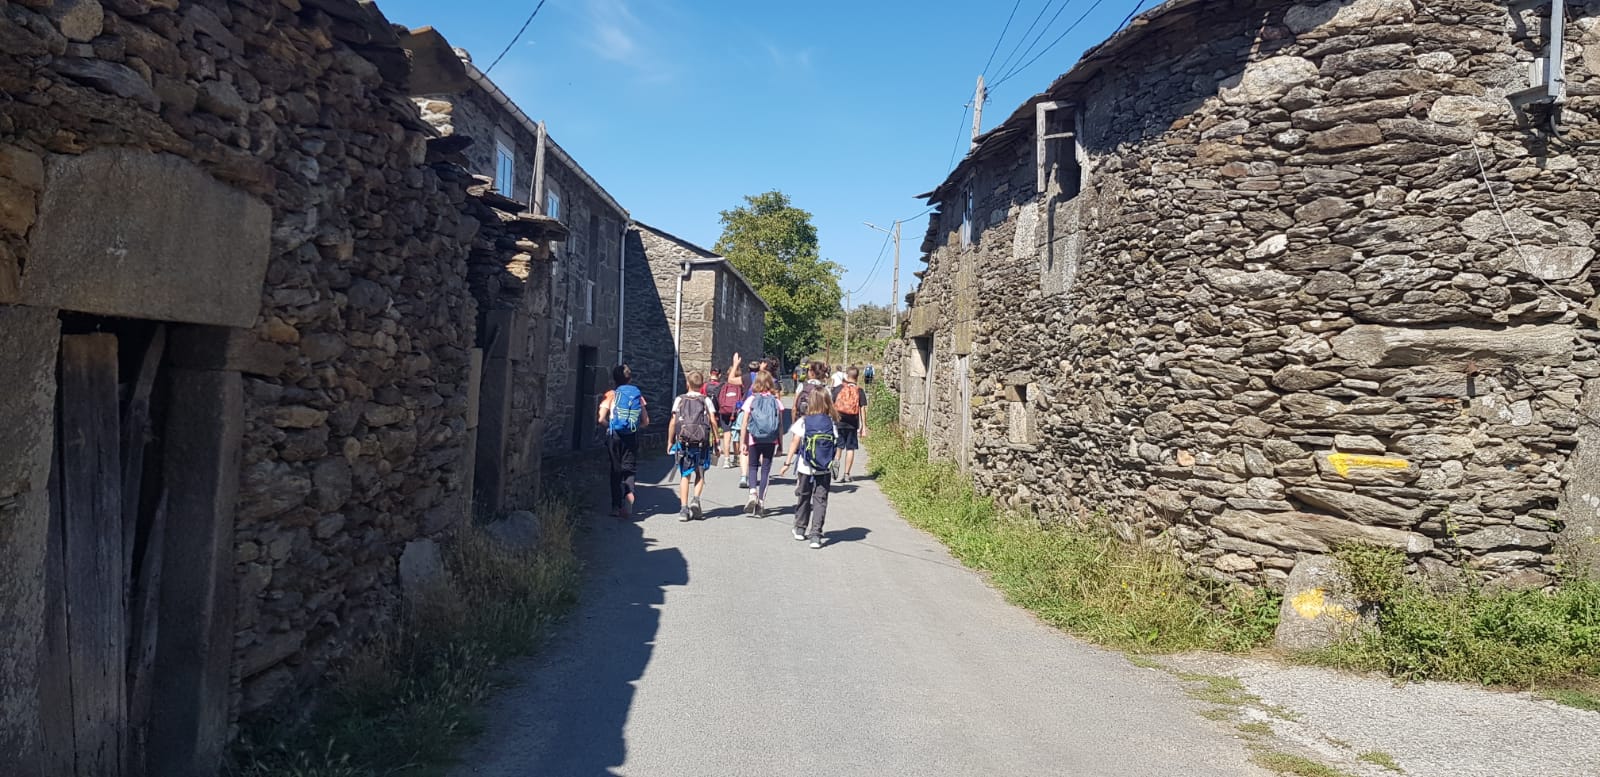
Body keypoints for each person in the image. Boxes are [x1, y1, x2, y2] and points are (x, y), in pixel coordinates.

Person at [779, 388, 839, 549]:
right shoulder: (830, 423)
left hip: (805, 467)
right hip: (824, 468)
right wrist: (834, 463)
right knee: (820, 500)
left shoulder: (804, 421)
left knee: (804, 496)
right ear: (828, 403)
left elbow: (795, 442)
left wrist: (787, 462)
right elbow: (836, 445)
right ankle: (816, 535)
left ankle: (800, 528)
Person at [597, 364, 649, 520]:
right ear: (630, 378)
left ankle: (615, 507)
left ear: (614, 379)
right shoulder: (637, 396)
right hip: (631, 436)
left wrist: (611, 426)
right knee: (629, 469)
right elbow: (646, 421)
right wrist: (634, 427)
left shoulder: (611, 394)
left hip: (614, 436)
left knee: (615, 470)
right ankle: (629, 495)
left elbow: (600, 419)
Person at [667, 370, 719, 521]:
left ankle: (684, 509)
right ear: (702, 385)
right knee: (700, 473)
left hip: (684, 442)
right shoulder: (705, 400)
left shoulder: (680, 399)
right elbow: (714, 422)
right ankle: (696, 499)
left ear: (687, 384)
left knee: (685, 474)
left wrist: (670, 441)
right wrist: (717, 440)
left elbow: (673, 422)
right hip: (702, 443)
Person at [738, 371, 785, 516]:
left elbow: (744, 422)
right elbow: (780, 425)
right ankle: (762, 503)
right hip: (770, 440)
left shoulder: (751, 400)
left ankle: (752, 493)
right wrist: (780, 445)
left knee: (752, 467)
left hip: (754, 439)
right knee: (765, 470)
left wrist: (743, 442)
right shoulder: (776, 401)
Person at [831, 366, 869, 482]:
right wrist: (864, 426)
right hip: (852, 423)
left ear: (846, 376)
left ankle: (836, 460)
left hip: (839, 422)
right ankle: (846, 474)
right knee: (850, 448)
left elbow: (832, 406)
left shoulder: (838, 389)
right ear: (857, 377)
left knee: (839, 446)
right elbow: (862, 408)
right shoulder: (859, 390)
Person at [715, 359, 746, 470]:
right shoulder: (741, 386)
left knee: (727, 435)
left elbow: (717, 398)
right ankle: (736, 457)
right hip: (736, 412)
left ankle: (727, 460)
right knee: (736, 435)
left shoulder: (723, 386)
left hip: (724, 412)